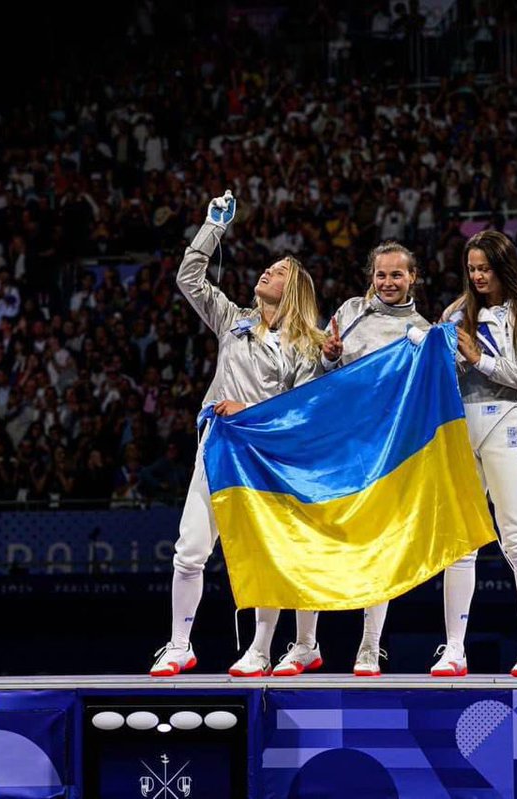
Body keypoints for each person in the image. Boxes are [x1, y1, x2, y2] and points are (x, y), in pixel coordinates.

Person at [150, 190, 326, 678]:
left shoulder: (306, 345)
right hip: (219, 443)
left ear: (296, 290)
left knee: (267, 554)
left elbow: (303, 411)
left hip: (267, 455)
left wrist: (247, 408)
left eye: (281, 272)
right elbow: (189, 278)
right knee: (190, 547)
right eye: (268, 268)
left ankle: (261, 649)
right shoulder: (233, 320)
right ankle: (179, 644)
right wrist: (213, 228)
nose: (268, 272)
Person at [270, 241, 430, 679]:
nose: (388, 283)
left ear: (412, 277)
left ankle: (369, 647)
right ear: (371, 276)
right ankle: (305, 645)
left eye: (397, 275)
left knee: (375, 548)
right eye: (381, 275)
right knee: (315, 538)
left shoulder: (420, 329)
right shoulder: (351, 309)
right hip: (337, 442)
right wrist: (330, 355)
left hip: (382, 451)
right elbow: (319, 373)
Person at [430, 230, 517, 678]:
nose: (478, 276)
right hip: (463, 429)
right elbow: (441, 374)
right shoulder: (454, 314)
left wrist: (478, 358)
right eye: (472, 269)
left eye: (485, 268)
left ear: (504, 266)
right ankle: (454, 649)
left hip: (508, 426)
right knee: (460, 545)